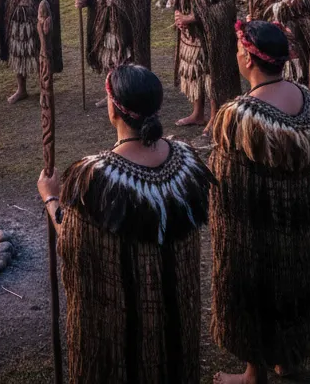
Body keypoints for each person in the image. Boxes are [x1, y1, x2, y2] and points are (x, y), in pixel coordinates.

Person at [37, 63, 211, 384]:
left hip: (121, 325)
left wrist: (51, 198)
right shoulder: (186, 159)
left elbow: (72, 242)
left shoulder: (96, 178)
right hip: (174, 317)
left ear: (113, 110)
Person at [210, 20, 310, 384]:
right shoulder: (307, 101)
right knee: (294, 282)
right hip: (299, 221)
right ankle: (288, 357)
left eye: (238, 50)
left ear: (249, 59)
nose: (235, 55)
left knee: (259, 285)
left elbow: (226, 181)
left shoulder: (240, 116)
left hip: (258, 227)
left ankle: (253, 373)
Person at [171, 0, 241, 127]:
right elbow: (177, 0)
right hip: (190, 39)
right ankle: (197, 113)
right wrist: (179, 15)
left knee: (212, 74)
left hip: (212, 40)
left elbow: (225, 14)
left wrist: (193, 18)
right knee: (194, 74)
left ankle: (214, 117)